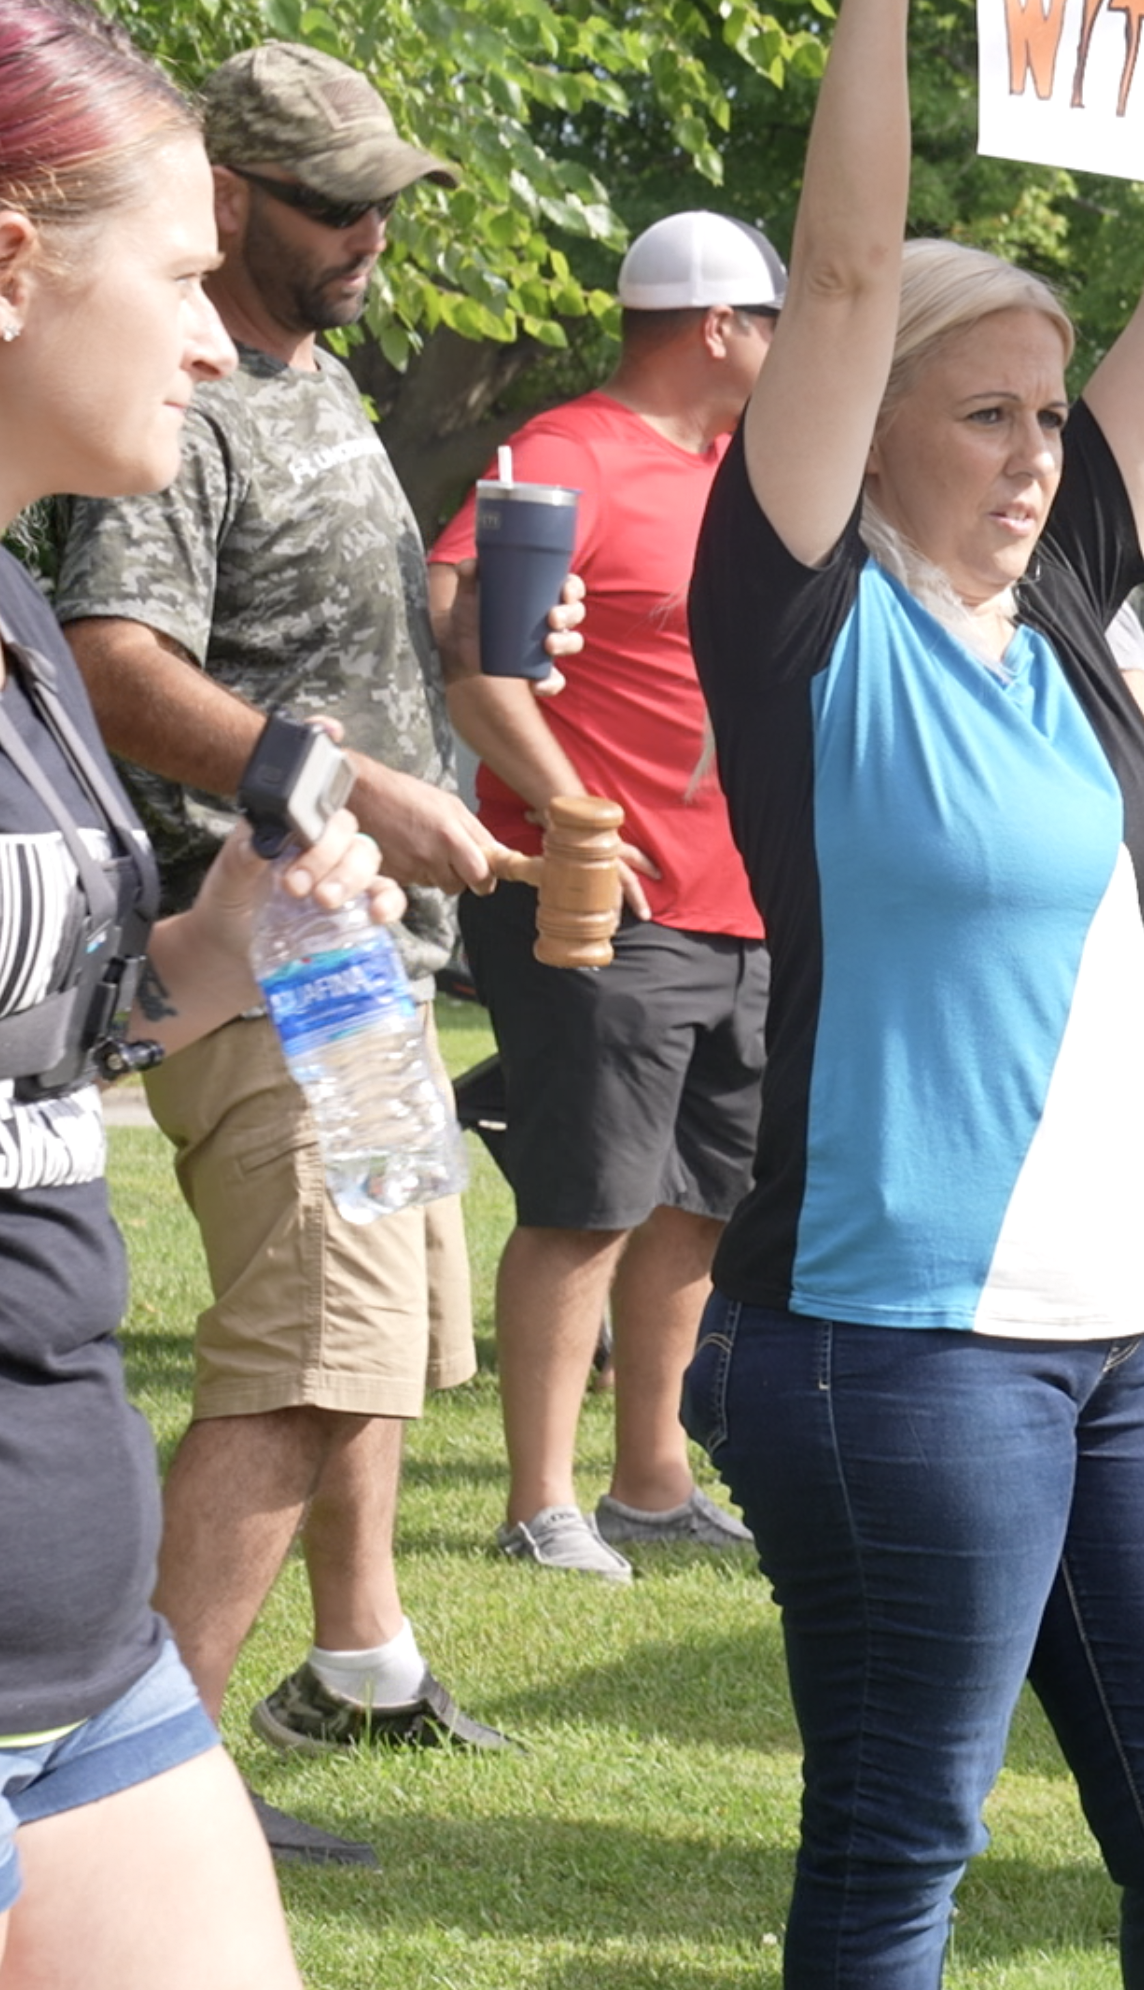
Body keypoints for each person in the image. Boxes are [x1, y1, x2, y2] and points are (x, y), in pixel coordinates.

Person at [679, 0, 1144, 1977]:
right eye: (986, 415)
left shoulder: (1070, 604)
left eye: (1049, 416)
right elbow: (848, 265)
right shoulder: (802, 613)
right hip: (897, 1344)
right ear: (867, 424)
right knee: (902, 1850)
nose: (1039, 454)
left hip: (1130, 1335)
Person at [54, 35, 512, 1866]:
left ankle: (361, 1661)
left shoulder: (316, 379)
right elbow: (112, 656)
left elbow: (310, 632)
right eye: (334, 204)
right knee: (314, 1345)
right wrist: (360, 787)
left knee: (380, 1327)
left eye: (387, 202)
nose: (370, 234)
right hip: (254, 952)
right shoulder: (177, 398)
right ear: (228, 198)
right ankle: (141, 1777)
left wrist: (465, 664)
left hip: (362, 954)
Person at [0, 4, 414, 1970]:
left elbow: (54, 1048)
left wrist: (224, 940)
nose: (206, 338)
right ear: (14, 262)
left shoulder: (15, 610)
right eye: (175, 279)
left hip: (79, 1642)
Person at [430, 209, 783, 1582]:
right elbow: (466, 641)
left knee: (698, 1200)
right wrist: (574, 811)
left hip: (739, 907)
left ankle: (649, 1481)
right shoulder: (566, 452)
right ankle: (539, 1502)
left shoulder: (738, 471)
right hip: (605, 905)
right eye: (775, 323)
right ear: (719, 327)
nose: (788, 348)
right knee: (586, 1200)